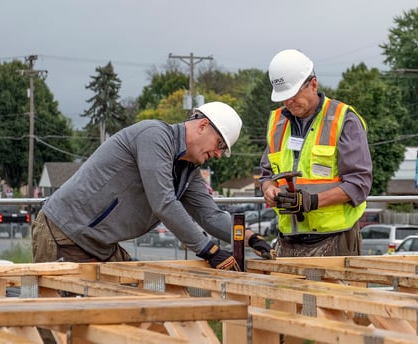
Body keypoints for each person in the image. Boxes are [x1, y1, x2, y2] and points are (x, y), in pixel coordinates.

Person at [32, 101, 275, 270]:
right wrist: (209, 251)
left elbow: (209, 215)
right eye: (220, 145)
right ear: (202, 126)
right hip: (64, 233)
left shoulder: (187, 169)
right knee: (62, 326)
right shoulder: (154, 136)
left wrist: (251, 239)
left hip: (99, 244)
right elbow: (163, 202)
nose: (219, 154)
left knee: (130, 310)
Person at [259, 49, 373, 257]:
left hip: (336, 238)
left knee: (334, 291)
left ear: (313, 84)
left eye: (293, 95)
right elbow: (267, 174)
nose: (288, 102)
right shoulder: (278, 123)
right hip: (289, 238)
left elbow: (359, 184)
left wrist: (312, 201)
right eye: (284, 98)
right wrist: (269, 189)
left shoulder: (343, 120)